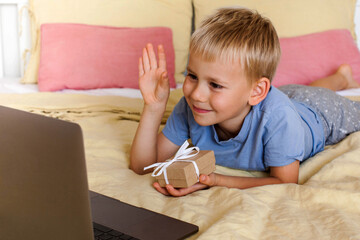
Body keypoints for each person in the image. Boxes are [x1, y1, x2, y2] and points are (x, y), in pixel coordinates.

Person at [130, 7, 360, 197]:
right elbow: (143, 166)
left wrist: (215, 180)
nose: (196, 94)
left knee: (322, 98)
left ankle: (342, 79)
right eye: (192, 76)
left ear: (257, 91)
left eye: (215, 85)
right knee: (301, 92)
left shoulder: (280, 119)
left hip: (318, 113)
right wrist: (153, 107)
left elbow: (285, 182)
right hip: (287, 96)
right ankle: (340, 77)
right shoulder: (190, 107)